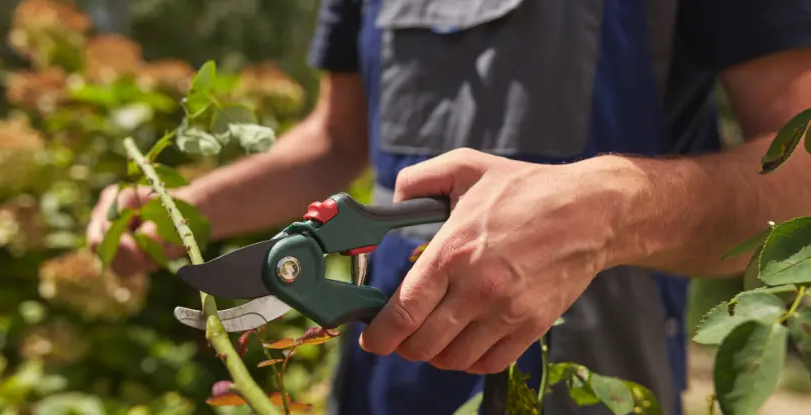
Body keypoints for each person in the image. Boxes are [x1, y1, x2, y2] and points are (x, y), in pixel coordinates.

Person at [87, 1, 811, 414]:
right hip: (380, 391)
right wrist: (186, 208)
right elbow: (336, 140)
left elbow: (798, 173)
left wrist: (610, 207)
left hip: (590, 386)